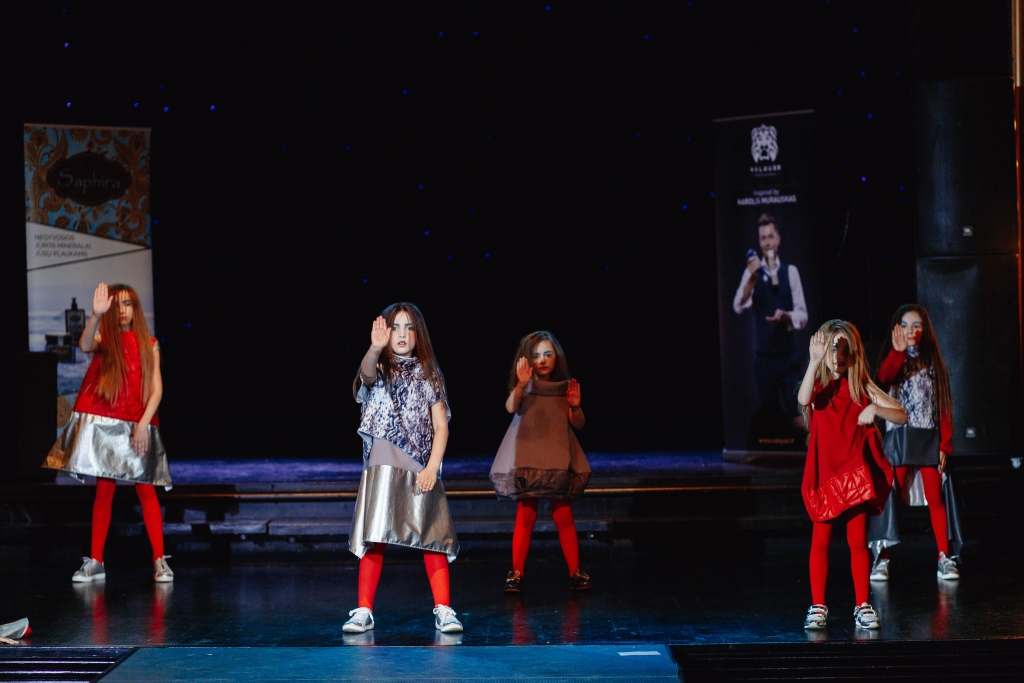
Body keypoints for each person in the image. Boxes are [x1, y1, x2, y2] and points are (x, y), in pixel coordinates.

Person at [343, 303, 462, 635]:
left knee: (431, 536)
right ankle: (364, 610)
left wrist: (432, 467)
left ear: (418, 334)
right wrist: (374, 348)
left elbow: (441, 426)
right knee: (375, 535)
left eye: (409, 327)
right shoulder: (380, 367)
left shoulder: (429, 374)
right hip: (383, 460)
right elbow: (366, 375)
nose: (402, 334)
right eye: (395, 327)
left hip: (420, 463)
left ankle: (444, 608)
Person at [43, 283, 173, 583]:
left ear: (135, 309)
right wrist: (95, 315)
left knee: (146, 489)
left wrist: (143, 425)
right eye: (117, 305)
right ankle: (96, 561)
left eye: (128, 304)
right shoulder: (105, 339)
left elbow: (157, 389)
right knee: (104, 490)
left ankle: (159, 561)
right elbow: (85, 345)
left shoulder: (150, 343)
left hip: (138, 422)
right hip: (107, 421)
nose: (123, 310)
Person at [798, 320, 905, 630]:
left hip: (854, 476)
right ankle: (818, 605)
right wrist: (814, 361)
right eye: (834, 347)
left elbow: (901, 414)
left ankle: (862, 604)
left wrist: (877, 410)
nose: (839, 355)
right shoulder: (819, 386)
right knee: (821, 541)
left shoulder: (861, 387)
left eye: (845, 348)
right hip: (825, 475)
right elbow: (803, 399)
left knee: (857, 542)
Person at [490, 331, 591, 594]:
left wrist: (575, 406)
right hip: (529, 457)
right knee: (526, 515)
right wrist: (521, 385)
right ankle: (516, 573)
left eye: (548, 354)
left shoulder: (564, 388)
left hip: (558, 456)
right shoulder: (525, 387)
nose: (543, 360)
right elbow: (510, 407)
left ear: (557, 357)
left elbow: (578, 424)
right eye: (536, 355)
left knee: (564, 515)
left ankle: (575, 572)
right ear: (527, 359)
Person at [868, 305, 962, 581]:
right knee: (888, 495)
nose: (911, 330)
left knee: (935, 496)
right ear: (897, 328)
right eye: (906, 325)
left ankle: (944, 557)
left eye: (917, 325)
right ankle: (882, 557)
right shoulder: (894, 357)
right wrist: (898, 353)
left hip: (928, 437)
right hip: (900, 437)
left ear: (925, 329)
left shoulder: (933, 362)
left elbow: (942, 405)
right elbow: (883, 379)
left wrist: (945, 445)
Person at [733, 213, 808, 428]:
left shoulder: (790, 272)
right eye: (763, 238)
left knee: (797, 416)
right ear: (759, 242)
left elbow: (803, 316)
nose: (767, 242)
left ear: (778, 239)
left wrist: (786, 316)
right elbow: (738, 305)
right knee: (770, 418)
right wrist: (751, 280)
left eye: (771, 237)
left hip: (787, 358)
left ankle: (802, 449)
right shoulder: (752, 273)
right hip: (764, 360)